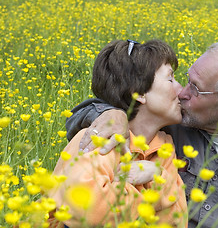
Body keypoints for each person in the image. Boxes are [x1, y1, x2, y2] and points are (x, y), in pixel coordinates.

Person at [66, 41, 218, 227]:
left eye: (196, 88)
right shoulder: (169, 124)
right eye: (184, 80)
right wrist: (112, 112)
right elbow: (118, 96)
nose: (182, 92)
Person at [48, 39, 188, 227]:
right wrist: (150, 194)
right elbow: (88, 214)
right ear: (138, 92)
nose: (180, 90)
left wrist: (156, 173)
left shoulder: (163, 146)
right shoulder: (99, 138)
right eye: (170, 79)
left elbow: (178, 220)